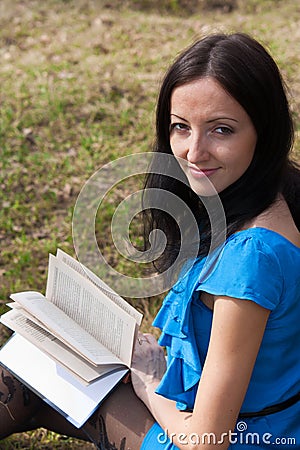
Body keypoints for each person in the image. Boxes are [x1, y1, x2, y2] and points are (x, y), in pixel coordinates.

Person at [0, 32, 299, 449]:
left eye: (221, 130)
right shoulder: (280, 193)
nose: (195, 152)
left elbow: (207, 441)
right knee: (37, 371)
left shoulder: (253, 257)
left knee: (24, 377)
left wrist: (150, 380)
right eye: (181, 127)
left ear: (263, 130)